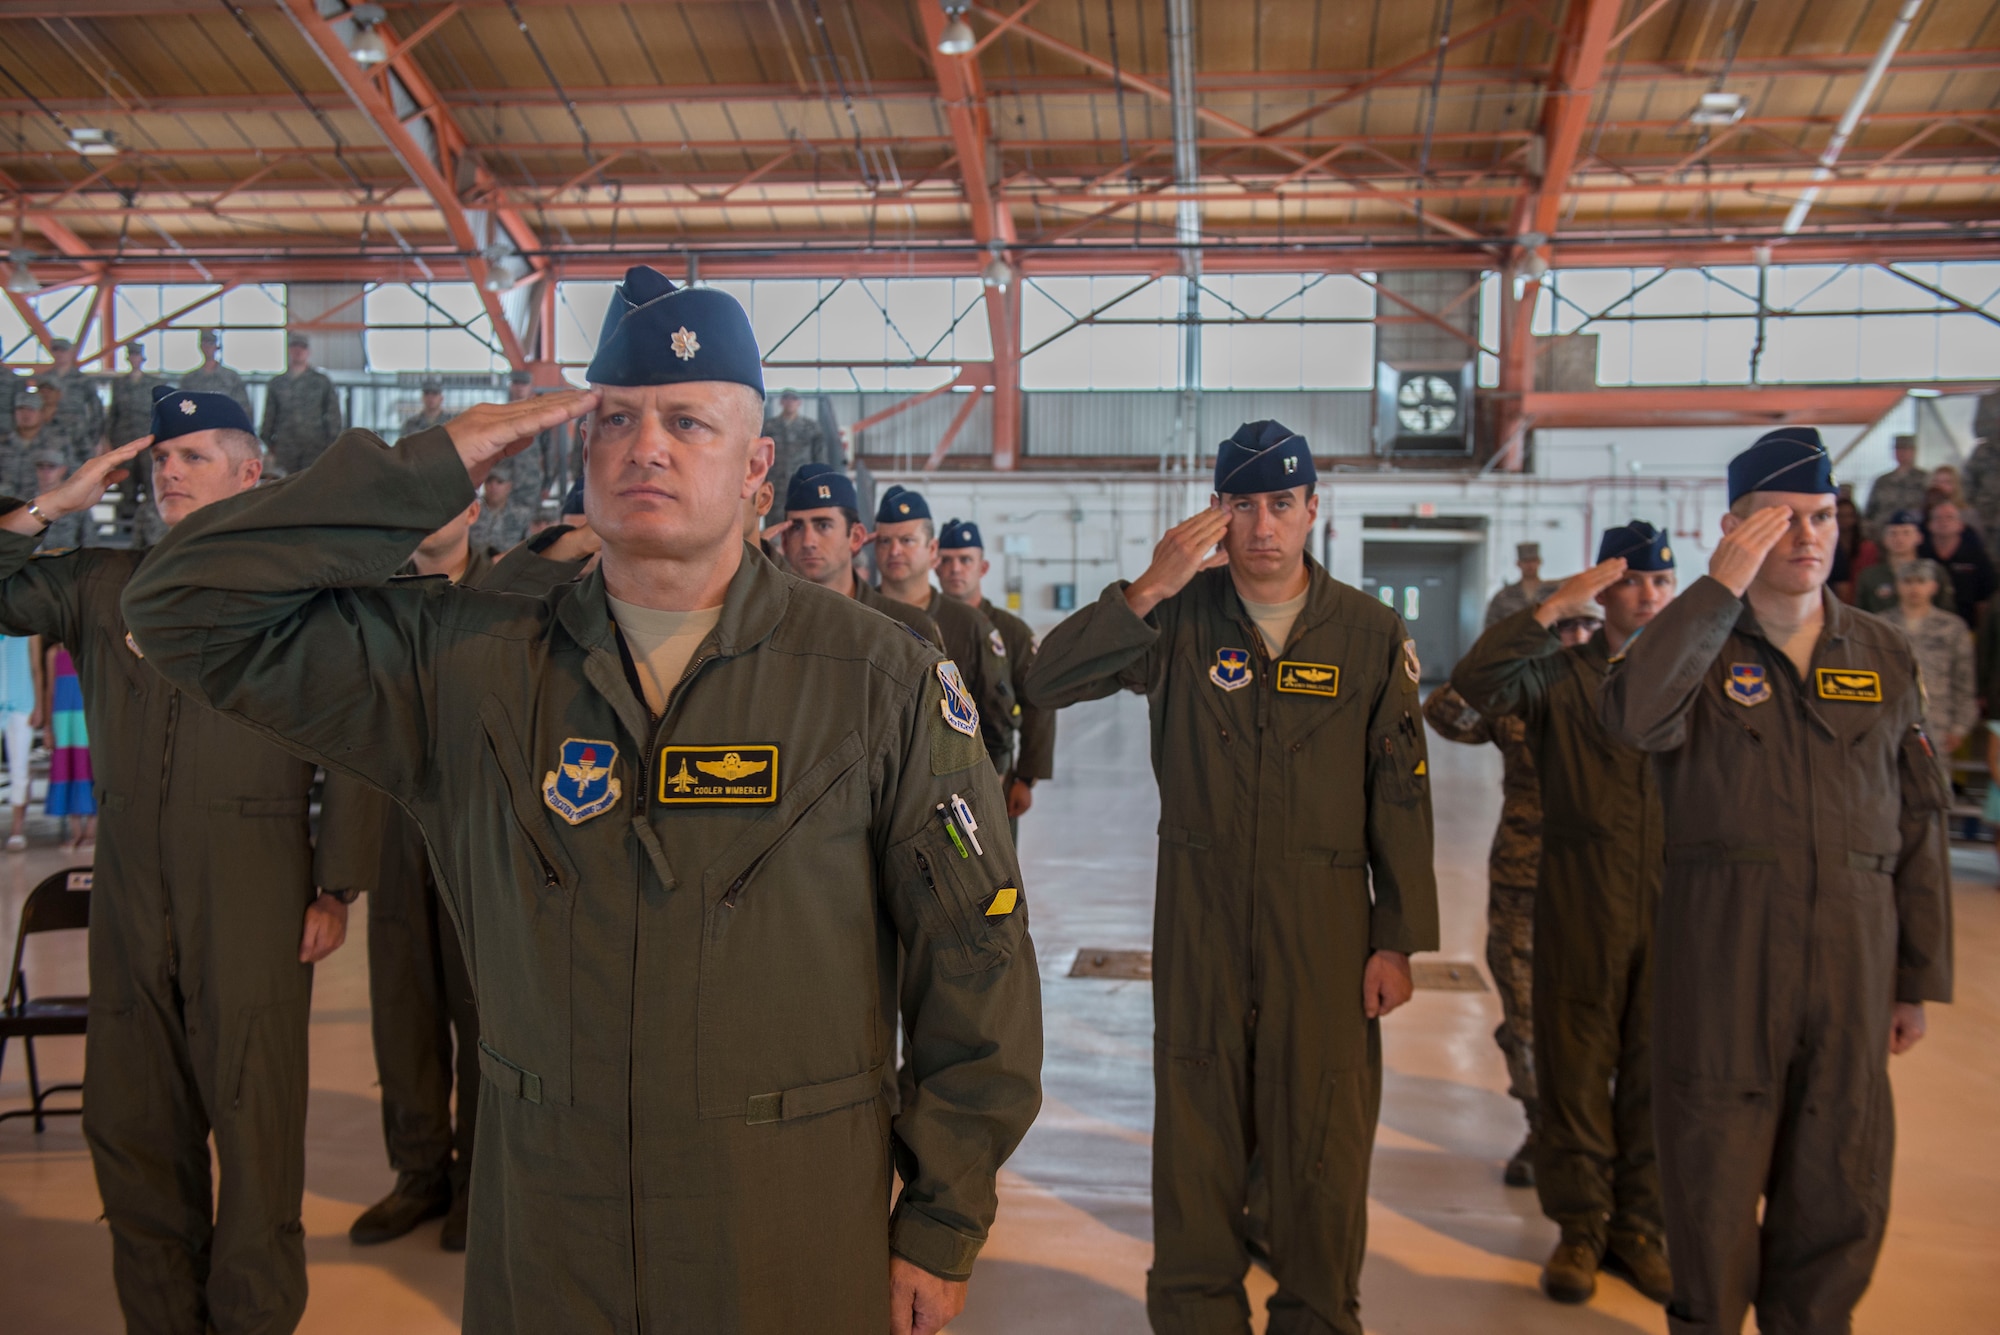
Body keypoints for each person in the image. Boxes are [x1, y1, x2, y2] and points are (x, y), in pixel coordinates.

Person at [123, 264, 1044, 1335]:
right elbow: (180, 609)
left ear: (757, 471)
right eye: (616, 419)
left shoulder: (876, 679)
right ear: (577, 447)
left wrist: (940, 1217)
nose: (647, 445)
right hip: (549, 1237)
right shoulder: (468, 662)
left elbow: (973, 963)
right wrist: (420, 470)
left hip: (785, 1228)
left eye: (688, 423)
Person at [1026, 418, 1439, 1335]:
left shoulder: (1369, 634)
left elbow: (1400, 793)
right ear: (1215, 515)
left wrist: (1398, 937)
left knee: (1322, 1150)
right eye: (1241, 505)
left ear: (1312, 511)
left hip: (1326, 929)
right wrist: (1147, 588)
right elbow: (1044, 680)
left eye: (1281, 503)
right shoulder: (1176, 619)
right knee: (1197, 1148)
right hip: (1201, 922)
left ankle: (1318, 1316)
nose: (1262, 525)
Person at [0, 386, 372, 1334]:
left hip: (253, 872)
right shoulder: (102, 582)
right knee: (132, 1125)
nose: (169, 470)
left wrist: (337, 882)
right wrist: (53, 505)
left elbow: (359, 737)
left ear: (251, 472)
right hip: (129, 883)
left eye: (194, 455)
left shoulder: (299, 593)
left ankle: (250, 1320)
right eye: (162, 458)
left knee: (254, 1126)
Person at [1600, 426, 1953, 1335]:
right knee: (1711, 1183)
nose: (1807, 536)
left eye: (1823, 516)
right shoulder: (1697, 644)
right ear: (1734, 526)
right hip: (1725, 955)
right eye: (1782, 518)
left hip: (1852, 957)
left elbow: (1918, 820)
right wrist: (1715, 588)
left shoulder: (1880, 652)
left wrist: (1916, 975)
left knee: (1840, 1184)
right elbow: (1635, 717)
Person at [342, 491, 594, 1254]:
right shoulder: (376, 597)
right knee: (402, 1007)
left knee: (484, 1009)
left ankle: (477, 1180)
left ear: (477, 508)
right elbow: (352, 721)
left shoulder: (518, 585)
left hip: (481, 822)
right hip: (396, 826)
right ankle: (419, 1171)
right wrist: (335, 873)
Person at [1455, 520, 1678, 1307]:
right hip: (1576, 890)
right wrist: (1549, 612)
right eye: (1629, 581)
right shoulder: (1559, 676)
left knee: (1657, 1068)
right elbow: (1463, 695)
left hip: (1675, 895)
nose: (1647, 595)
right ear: (1601, 588)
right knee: (1577, 1066)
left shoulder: (1702, 673)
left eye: (1660, 580)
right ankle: (1582, 1227)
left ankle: (1641, 1227)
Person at [1421, 611, 1598, 1190]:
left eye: (1588, 628)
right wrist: (1522, 641)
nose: (1575, 639)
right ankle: (1543, 1127)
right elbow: (1446, 712)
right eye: (1564, 627)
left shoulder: (1632, 693)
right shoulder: (1522, 695)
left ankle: (1599, 1139)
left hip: (1605, 881)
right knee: (1525, 1016)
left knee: (1605, 1016)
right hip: (1525, 879)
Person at [874, 486, 1016, 779]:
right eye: (884, 541)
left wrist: (991, 781)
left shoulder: (970, 624)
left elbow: (995, 714)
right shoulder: (858, 615)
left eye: (907, 540)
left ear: (933, 549)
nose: (894, 551)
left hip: (948, 780)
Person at [936, 518, 1056, 835]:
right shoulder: (923, 624)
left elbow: (1038, 702)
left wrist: (1027, 777)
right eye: (946, 560)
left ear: (983, 567)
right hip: (933, 775)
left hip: (995, 773)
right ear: (934, 566)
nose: (955, 569)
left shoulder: (1011, 632)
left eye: (965, 560)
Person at [776, 462, 940, 644]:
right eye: (797, 527)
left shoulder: (907, 627)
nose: (808, 542)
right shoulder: (770, 621)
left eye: (823, 525)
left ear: (855, 537)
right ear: (785, 540)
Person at [1890, 559, 1976, 774]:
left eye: (1921, 581)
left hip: (1936, 722)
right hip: (1889, 721)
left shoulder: (1952, 627)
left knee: (1933, 790)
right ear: (1898, 585)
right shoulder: (1880, 626)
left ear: (1933, 586)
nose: (1914, 588)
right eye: (1907, 581)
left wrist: (1960, 726)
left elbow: (1964, 679)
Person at [261, 331, 344, 475]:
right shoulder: (277, 383)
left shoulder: (321, 381)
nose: (298, 351)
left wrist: (333, 442)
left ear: (308, 352)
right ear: (289, 350)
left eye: (302, 348)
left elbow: (333, 413)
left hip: (315, 445)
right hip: (286, 446)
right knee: (287, 485)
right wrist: (267, 440)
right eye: (294, 347)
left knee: (313, 484)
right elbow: (270, 413)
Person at [39, 638, 94, 848]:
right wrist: (47, 728)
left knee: (88, 769)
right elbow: (50, 691)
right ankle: (76, 831)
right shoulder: (53, 654)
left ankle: (91, 829)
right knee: (68, 769)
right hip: (63, 721)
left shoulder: (88, 647)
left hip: (86, 718)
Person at [1854, 509, 1951, 614]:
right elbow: (1860, 614)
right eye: (1893, 533)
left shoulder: (1934, 572)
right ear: (1884, 539)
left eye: (1906, 533)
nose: (1899, 539)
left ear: (1919, 538)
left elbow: (1946, 610)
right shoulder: (1869, 576)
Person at [1919, 499, 1995, 627]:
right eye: (1938, 518)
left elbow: (1984, 600)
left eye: (1950, 517)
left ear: (1961, 525)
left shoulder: (1977, 556)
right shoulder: (1920, 554)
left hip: (1967, 626)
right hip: (1926, 626)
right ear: (1929, 525)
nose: (1944, 521)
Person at [35, 336, 105, 466]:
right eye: (56, 350)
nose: (60, 354)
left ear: (71, 353)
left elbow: (96, 410)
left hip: (78, 435)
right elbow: (37, 406)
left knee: (79, 473)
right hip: (50, 435)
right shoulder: (44, 379)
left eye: (64, 351)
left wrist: (94, 438)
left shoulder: (83, 380)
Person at [766, 389, 834, 514]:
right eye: (787, 399)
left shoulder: (811, 427)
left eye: (794, 399)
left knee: (801, 519)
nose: (790, 402)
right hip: (775, 485)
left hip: (802, 483)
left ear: (799, 403)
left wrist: (820, 482)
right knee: (774, 523)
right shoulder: (769, 427)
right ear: (782, 402)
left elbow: (820, 457)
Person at [466, 456, 537, 556]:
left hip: (510, 566)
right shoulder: (472, 513)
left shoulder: (521, 515)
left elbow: (530, 547)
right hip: (476, 566)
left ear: (509, 486)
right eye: (489, 481)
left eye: (499, 482)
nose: (493, 487)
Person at [1862, 433, 1928, 539]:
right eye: (1899, 449)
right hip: (1883, 535)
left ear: (1914, 451)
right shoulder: (1882, 481)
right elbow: (1870, 512)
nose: (1902, 453)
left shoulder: (1925, 479)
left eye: (1906, 449)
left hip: (1914, 536)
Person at [0, 631, 31, 851]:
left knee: (19, 769)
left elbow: (36, 669)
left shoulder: (25, 631)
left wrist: (39, 707)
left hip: (23, 704)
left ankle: (17, 831)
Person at [179, 327, 254, 416]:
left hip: (225, 424)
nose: (207, 348)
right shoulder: (189, 379)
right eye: (204, 344)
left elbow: (243, 407)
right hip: (199, 425)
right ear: (200, 347)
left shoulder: (231, 377)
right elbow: (183, 407)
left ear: (217, 347)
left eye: (210, 343)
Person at [1485, 541, 1550, 626]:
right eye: (1525, 561)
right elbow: (1491, 628)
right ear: (1518, 563)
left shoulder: (1552, 593)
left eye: (1533, 560)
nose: (1530, 565)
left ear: (1539, 562)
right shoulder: (1503, 597)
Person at [1, 385, 50, 496]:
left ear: (41, 413)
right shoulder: (3, 443)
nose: (25, 414)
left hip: (44, 505)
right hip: (7, 506)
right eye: (20, 409)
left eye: (31, 409)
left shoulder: (56, 443)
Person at [1829, 495, 1872, 603]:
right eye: (1840, 516)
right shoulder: (1828, 547)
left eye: (1849, 515)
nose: (1844, 520)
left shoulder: (1867, 548)